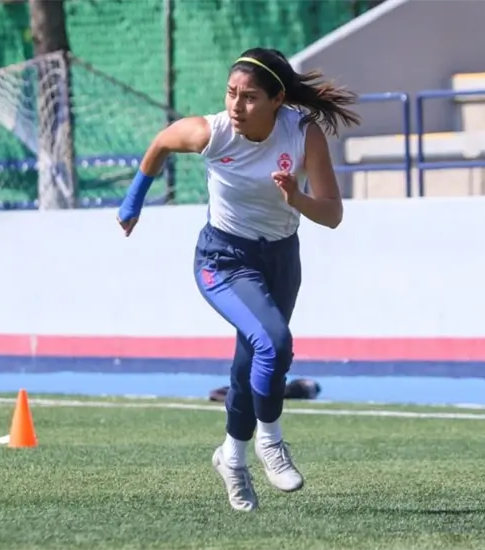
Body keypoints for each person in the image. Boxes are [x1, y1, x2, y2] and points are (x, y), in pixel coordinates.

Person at [116, 47, 360, 512]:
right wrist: (133, 202)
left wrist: (295, 197)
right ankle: (270, 442)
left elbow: (331, 215)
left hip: (282, 259)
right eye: (231, 94)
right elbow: (161, 143)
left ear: (277, 100)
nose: (236, 105)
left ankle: (231, 457)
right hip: (223, 259)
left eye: (249, 97)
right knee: (274, 343)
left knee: (251, 364)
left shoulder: (303, 135)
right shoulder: (213, 132)